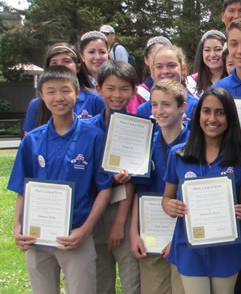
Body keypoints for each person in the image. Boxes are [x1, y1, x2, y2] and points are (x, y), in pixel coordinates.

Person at [9, 65, 112, 294]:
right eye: (51, 91)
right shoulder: (32, 141)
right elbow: (22, 189)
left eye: (65, 90)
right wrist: (17, 228)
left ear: (76, 93)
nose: (59, 98)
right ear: (42, 96)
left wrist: (85, 231)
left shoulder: (94, 137)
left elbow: (104, 189)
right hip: (36, 237)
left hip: (75, 235)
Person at [162, 87, 241, 293]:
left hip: (226, 249)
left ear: (229, 117)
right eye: (207, 111)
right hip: (189, 247)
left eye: (220, 112)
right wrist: (170, 206)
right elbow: (166, 198)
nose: (212, 118)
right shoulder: (179, 154)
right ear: (198, 114)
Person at [86, 60, 141, 294]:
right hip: (92, 212)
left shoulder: (138, 128)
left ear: (134, 91)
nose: (116, 95)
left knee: (131, 279)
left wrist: (120, 223)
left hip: (124, 212)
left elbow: (133, 181)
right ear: (98, 89)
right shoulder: (87, 129)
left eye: (123, 88)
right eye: (110, 88)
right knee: (100, 279)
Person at [130, 79, 189, 294]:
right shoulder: (146, 143)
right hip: (151, 235)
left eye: (166, 104)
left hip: (184, 236)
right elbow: (138, 192)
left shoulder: (195, 145)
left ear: (182, 107)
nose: (159, 111)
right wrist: (133, 233)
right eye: (155, 105)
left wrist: (178, 239)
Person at [23, 43, 105, 134]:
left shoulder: (96, 100)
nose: (60, 66)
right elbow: (30, 142)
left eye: (66, 61)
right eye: (54, 63)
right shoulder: (37, 104)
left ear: (78, 66)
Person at [135, 45, 198, 125]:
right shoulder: (143, 110)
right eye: (159, 66)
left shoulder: (196, 106)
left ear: (183, 68)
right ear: (153, 71)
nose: (165, 71)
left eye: (171, 65)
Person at [128, 36, 172, 114]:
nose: (165, 70)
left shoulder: (186, 96)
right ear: (146, 60)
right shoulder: (138, 95)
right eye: (155, 56)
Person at [187, 30, 227, 98]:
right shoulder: (191, 82)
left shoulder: (234, 80)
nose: (212, 55)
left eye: (217, 49)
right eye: (207, 50)